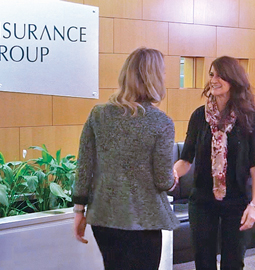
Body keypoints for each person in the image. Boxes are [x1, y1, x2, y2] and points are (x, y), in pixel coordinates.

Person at [73, 47, 180, 270]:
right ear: (154, 78)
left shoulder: (98, 114)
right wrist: (173, 178)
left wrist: (79, 211)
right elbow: (163, 180)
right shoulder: (161, 122)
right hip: (144, 220)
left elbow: (84, 166)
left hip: (104, 217)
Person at [173, 56, 255, 270]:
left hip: (237, 201)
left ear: (233, 80)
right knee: (204, 263)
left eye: (220, 75)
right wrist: (172, 174)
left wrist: (254, 204)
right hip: (203, 201)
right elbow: (186, 159)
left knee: (233, 263)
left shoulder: (250, 116)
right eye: (211, 74)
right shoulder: (199, 116)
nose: (213, 80)